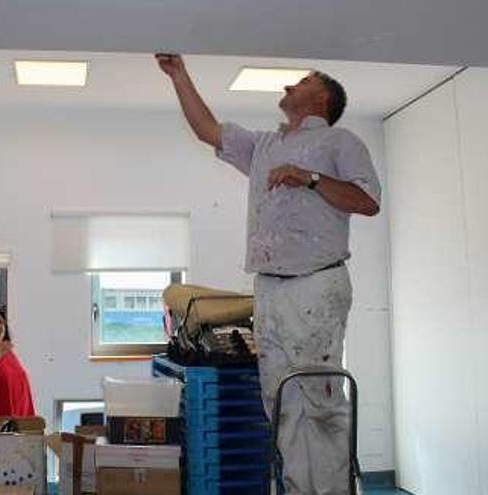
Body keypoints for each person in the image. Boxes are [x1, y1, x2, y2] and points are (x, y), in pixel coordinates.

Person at [156, 54, 380, 494]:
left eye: (301, 81)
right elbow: (208, 130)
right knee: (279, 396)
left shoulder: (340, 141)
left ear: (323, 97)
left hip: (316, 281)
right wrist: (178, 75)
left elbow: (368, 201)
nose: (287, 87)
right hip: (271, 286)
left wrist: (309, 178)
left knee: (316, 396)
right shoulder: (264, 146)